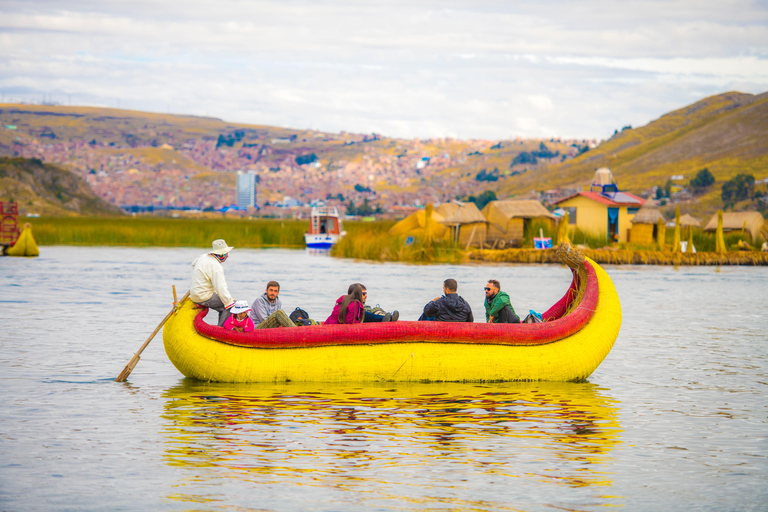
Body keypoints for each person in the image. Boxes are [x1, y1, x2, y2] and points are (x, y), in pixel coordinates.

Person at [190, 239, 236, 326]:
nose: (227, 256)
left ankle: (220, 326)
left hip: (194, 293)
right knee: (230, 307)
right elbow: (221, 288)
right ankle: (221, 331)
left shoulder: (203, 257)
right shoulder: (216, 267)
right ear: (221, 254)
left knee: (226, 302)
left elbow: (193, 265)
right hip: (203, 296)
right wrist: (230, 302)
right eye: (226, 253)